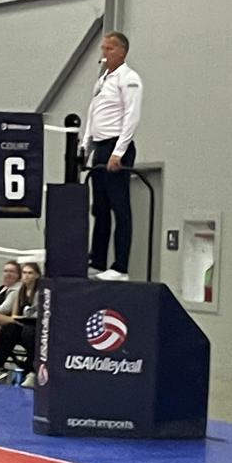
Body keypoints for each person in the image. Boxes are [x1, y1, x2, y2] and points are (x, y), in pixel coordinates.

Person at [81, 31, 143, 281]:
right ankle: (97, 260)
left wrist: (119, 151)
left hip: (116, 147)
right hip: (100, 147)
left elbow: (132, 115)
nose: (104, 53)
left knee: (120, 207)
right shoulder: (102, 81)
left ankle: (120, 266)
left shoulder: (129, 78)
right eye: (103, 49)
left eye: (110, 49)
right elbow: (93, 114)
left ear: (122, 52)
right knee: (100, 207)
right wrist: (86, 147)